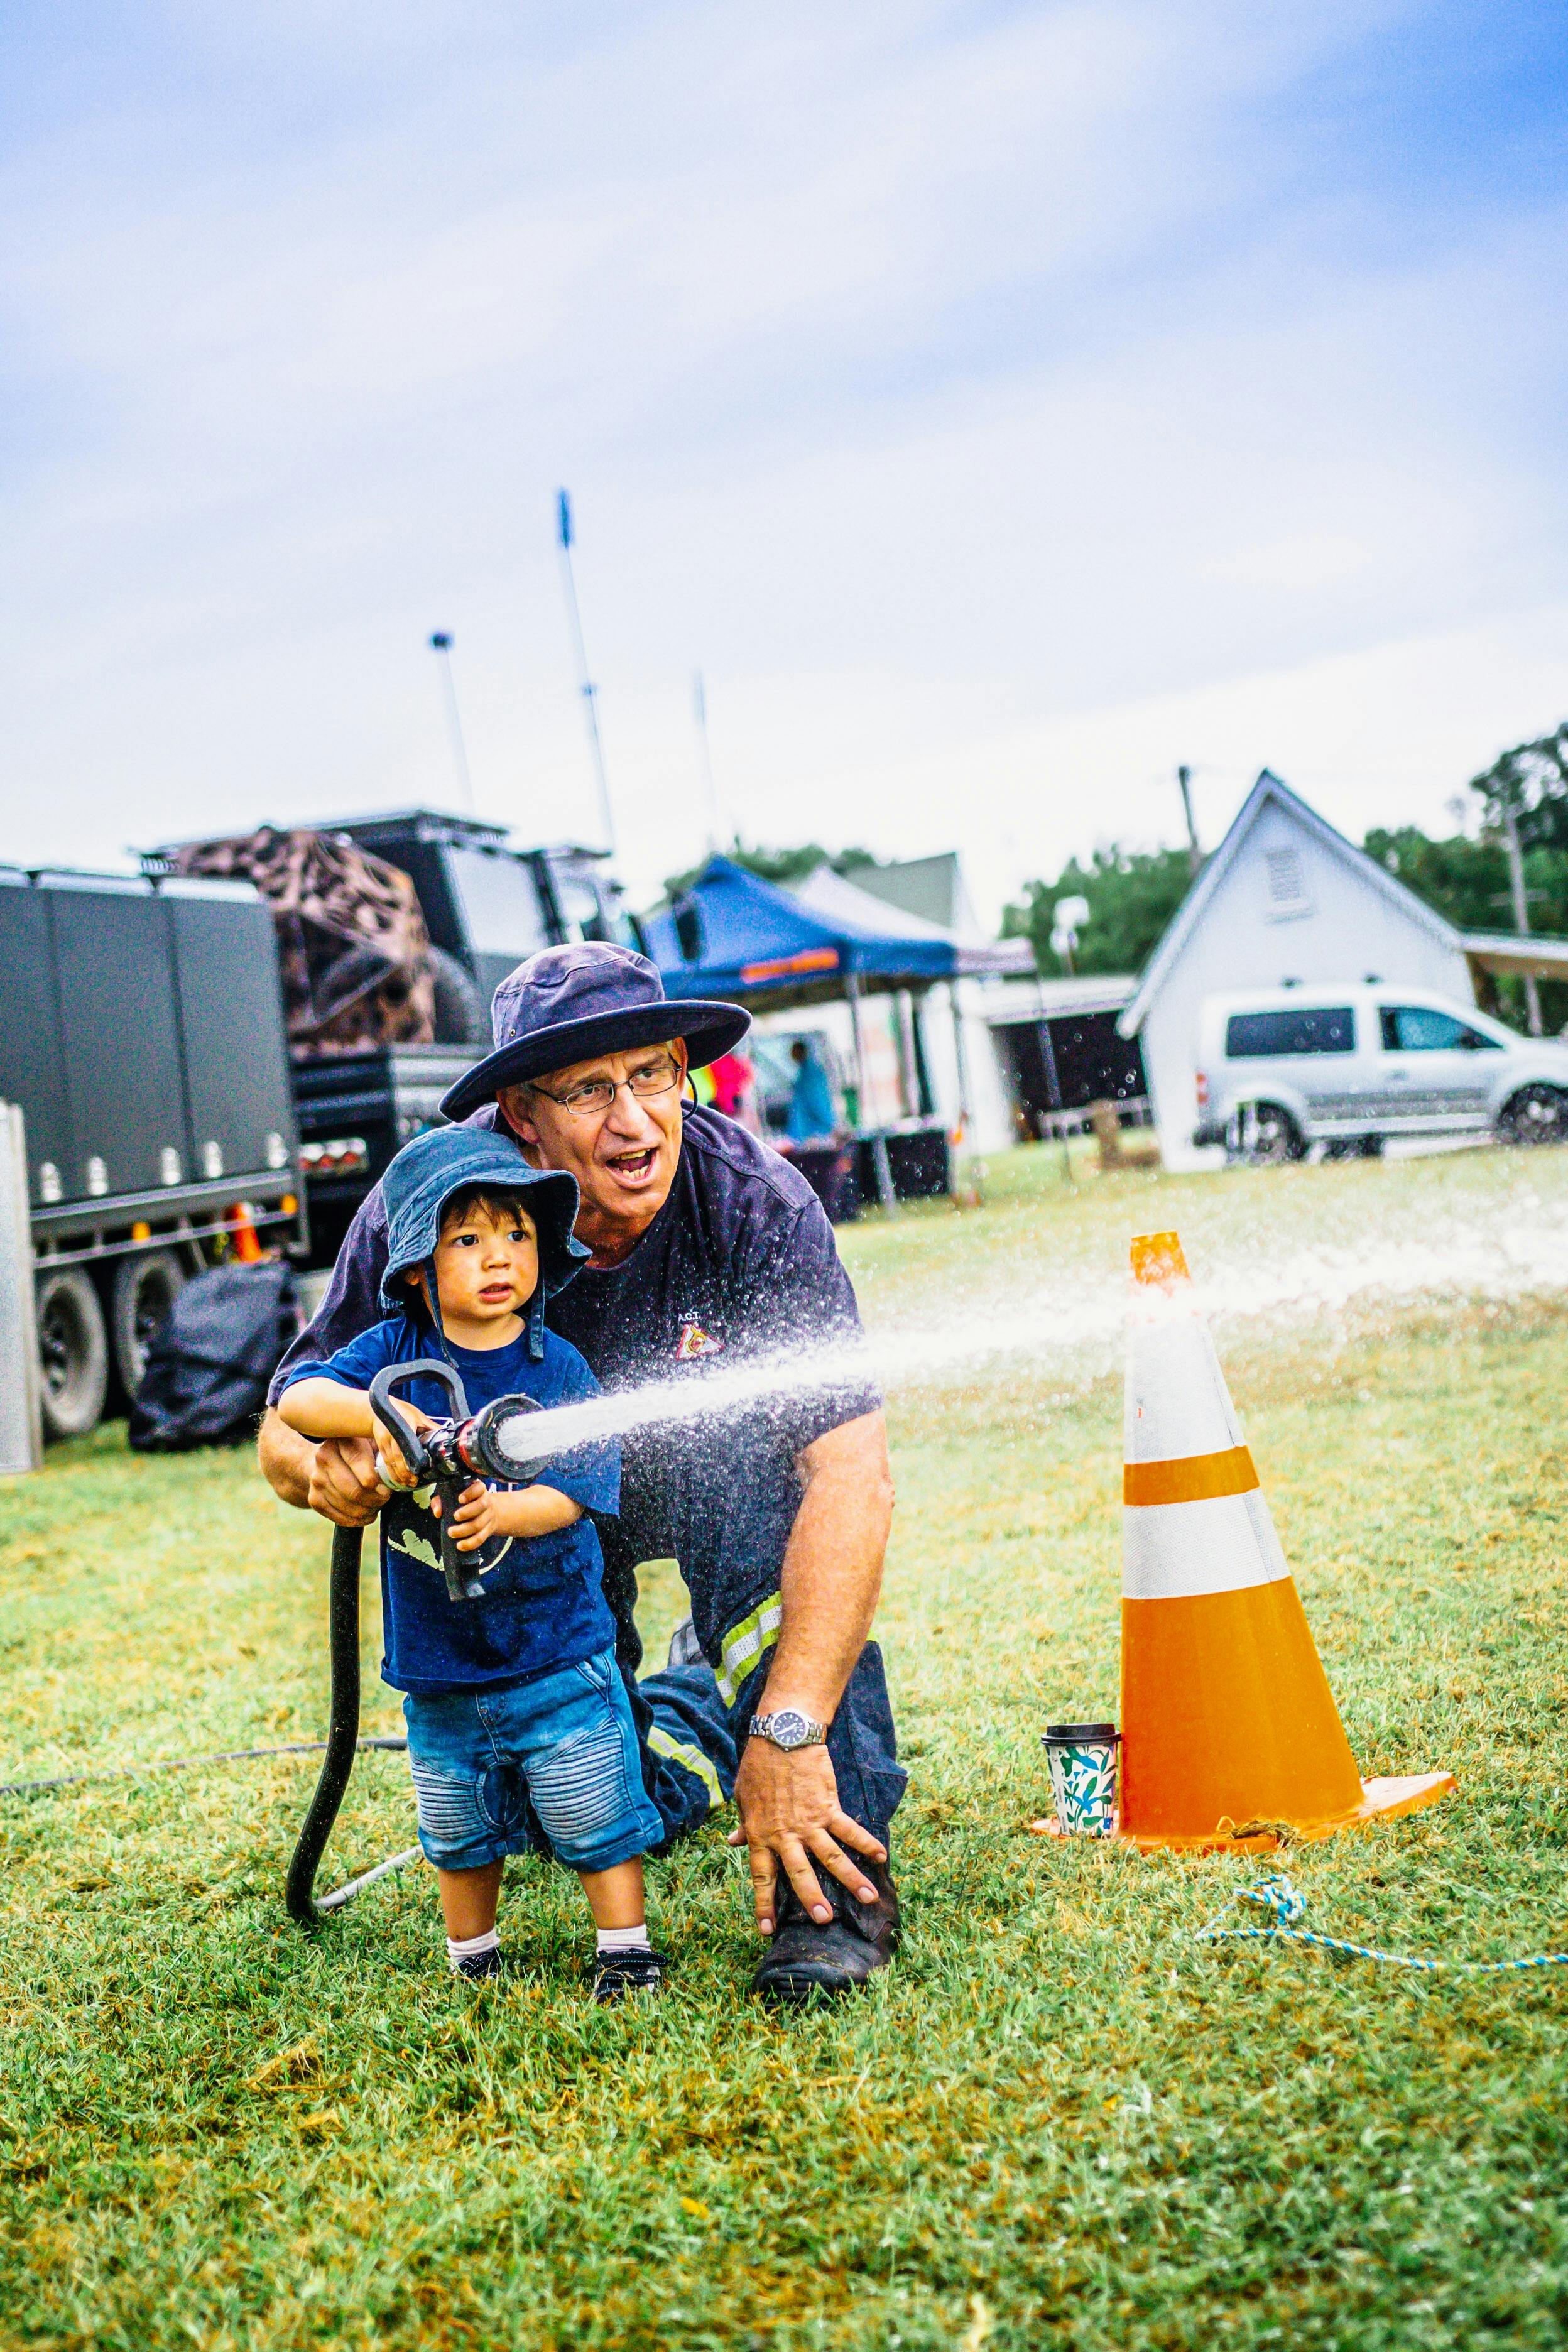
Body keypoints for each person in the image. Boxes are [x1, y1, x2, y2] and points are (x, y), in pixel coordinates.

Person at [259, 942, 903, 2003]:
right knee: (573, 1808)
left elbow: (851, 1473)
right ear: (520, 1113)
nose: (637, 1119)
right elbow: (287, 1421)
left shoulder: (754, 1203)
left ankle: (828, 1887)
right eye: (591, 1088)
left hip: (714, 1473)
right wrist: (321, 1467)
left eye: (654, 1073)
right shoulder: (428, 1203)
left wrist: (789, 1722)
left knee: (765, 1520)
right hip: (529, 1521)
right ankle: (684, 1725)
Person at [275, 1124, 666, 1999]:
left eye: (519, 1236)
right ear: (417, 1266)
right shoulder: (390, 1356)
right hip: (439, 1665)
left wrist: (507, 1511)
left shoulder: (555, 1365)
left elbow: (578, 1490)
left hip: (555, 1649)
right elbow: (300, 1396)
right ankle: (473, 1958)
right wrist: (377, 1422)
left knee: (592, 1804)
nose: (501, 1257)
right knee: (455, 1823)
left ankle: (626, 1949)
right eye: (469, 1239)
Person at [785, 1037, 836, 1144]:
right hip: (808, 1131)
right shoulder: (805, 1072)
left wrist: (830, 1125)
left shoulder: (811, 1074)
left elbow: (818, 1102)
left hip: (814, 1132)